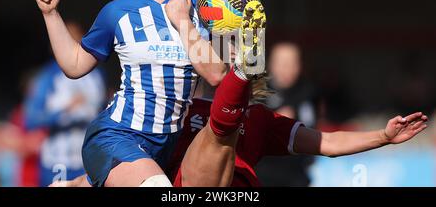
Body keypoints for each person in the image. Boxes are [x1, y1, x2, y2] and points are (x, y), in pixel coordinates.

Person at [55, 40, 429, 187]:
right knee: (219, 131)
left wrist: (382, 136)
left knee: (225, 128)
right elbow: (118, 168)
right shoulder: (170, 116)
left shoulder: (260, 119)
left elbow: (328, 142)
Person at [35, 0, 227, 187]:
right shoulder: (117, 11)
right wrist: (50, 14)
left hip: (168, 143)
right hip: (117, 134)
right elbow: (75, 64)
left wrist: (186, 21)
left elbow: (218, 73)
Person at [24, 22, 107, 186]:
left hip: (89, 160)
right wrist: (65, 110)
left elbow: (102, 111)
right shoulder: (47, 76)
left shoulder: (97, 75)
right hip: (58, 161)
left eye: (75, 38)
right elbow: (31, 119)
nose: (70, 43)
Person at [256, 42, 320, 186]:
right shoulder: (258, 93)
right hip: (265, 175)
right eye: (283, 63)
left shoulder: (308, 92)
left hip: (297, 175)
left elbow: (313, 128)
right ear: (271, 64)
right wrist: (275, 120)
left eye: (292, 63)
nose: (288, 69)